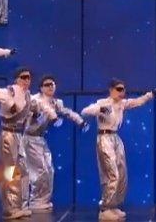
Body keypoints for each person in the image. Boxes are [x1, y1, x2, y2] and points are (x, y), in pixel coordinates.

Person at [81, 80, 156, 221]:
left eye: (123, 89)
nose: (122, 92)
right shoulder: (103, 103)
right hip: (104, 138)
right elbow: (85, 111)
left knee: (122, 174)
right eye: (119, 89)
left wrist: (151, 94)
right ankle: (105, 209)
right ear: (111, 90)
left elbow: (137, 102)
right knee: (112, 174)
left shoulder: (122, 104)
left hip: (116, 138)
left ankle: (114, 205)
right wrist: (100, 110)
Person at [0, 67, 57, 220]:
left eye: (28, 78)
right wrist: (10, 103)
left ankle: (20, 205)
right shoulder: (11, 91)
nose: (26, 80)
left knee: (23, 171)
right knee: (11, 171)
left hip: (19, 135)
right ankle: (10, 209)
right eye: (23, 77)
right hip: (8, 134)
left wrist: (50, 114)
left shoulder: (27, 95)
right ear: (17, 79)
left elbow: (39, 106)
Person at [24, 74, 89, 213]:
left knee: (49, 170)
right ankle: (35, 200)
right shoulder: (35, 100)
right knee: (40, 170)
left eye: (52, 84)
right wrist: (44, 116)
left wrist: (80, 122)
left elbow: (67, 112)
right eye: (47, 85)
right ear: (41, 88)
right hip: (29, 138)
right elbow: (33, 112)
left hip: (40, 139)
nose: (50, 87)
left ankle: (43, 200)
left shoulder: (55, 103)